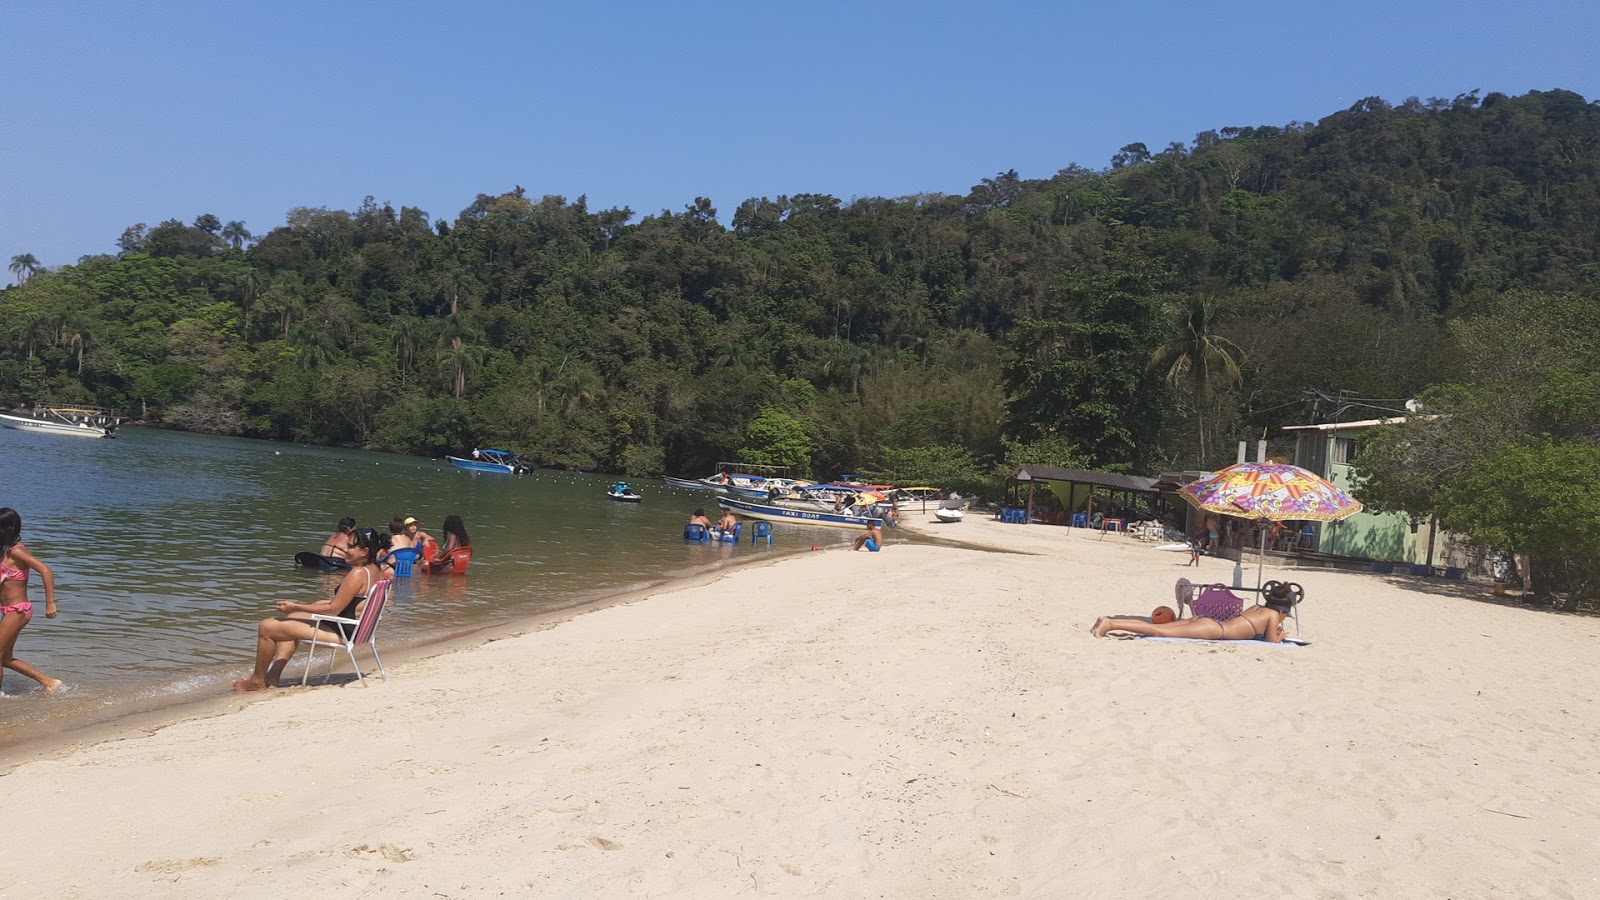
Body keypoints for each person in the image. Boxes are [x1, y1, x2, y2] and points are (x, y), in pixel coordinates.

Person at [233, 526, 390, 691]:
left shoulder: (358, 573)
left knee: (267, 627)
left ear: (364, 551)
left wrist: (295, 605)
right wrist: (318, 604)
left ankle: (256, 680)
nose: (344, 549)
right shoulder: (377, 570)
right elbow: (357, 601)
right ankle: (272, 676)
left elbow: (333, 610)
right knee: (294, 617)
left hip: (344, 634)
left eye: (351, 546)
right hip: (358, 630)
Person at [1091, 585, 1296, 642]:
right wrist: (1282, 634)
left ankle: (1109, 621)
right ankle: (1110, 624)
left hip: (1209, 622)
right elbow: (1272, 640)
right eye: (1286, 615)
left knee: (1158, 628)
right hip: (1213, 629)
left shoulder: (1257, 608)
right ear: (1282, 611)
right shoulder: (1272, 615)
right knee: (1157, 632)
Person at [0, 508, 61, 694]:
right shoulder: (5, 552)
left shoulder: (17, 551)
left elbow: (46, 571)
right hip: (9, 610)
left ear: (7, 528)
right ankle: (48, 682)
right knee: (4, 657)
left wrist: (50, 602)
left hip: (18, 611)